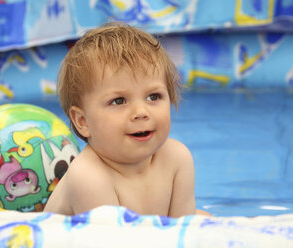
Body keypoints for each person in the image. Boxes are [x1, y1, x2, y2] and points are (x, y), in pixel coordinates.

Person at [44, 22, 197, 217]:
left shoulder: (177, 159)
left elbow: (185, 233)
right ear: (83, 121)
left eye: (153, 97)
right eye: (119, 101)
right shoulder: (89, 177)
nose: (141, 111)